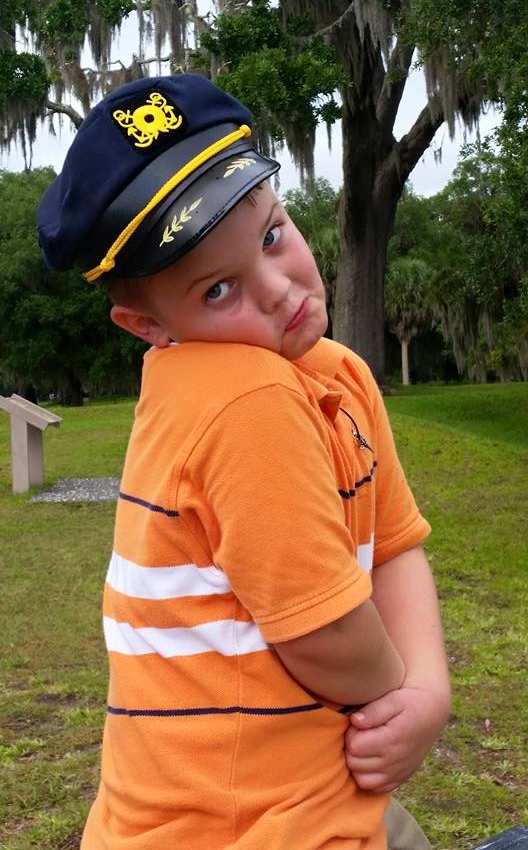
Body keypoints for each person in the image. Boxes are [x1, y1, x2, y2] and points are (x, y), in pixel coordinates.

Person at [37, 74, 451, 850]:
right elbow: (324, 634)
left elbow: (395, 545)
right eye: (220, 289)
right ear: (147, 326)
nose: (278, 289)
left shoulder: (337, 373)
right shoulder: (242, 397)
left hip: (297, 793)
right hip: (238, 825)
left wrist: (427, 692)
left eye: (271, 237)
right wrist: (400, 690)